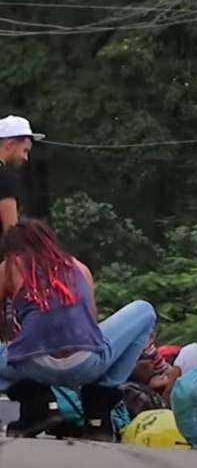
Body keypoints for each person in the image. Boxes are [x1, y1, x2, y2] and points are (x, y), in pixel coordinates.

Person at [0, 219, 156, 440]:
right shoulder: (80, 268)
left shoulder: (10, 266)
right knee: (145, 310)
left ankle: (36, 403)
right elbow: (91, 328)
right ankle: (99, 403)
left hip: (31, 366)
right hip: (85, 365)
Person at [0, 115, 45, 343]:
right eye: (24, 151)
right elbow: (11, 231)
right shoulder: (5, 177)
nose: (26, 158)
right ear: (10, 144)